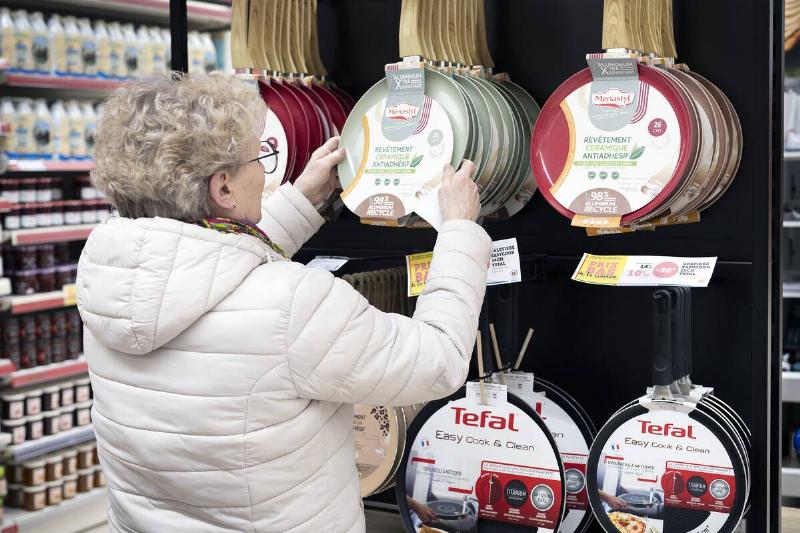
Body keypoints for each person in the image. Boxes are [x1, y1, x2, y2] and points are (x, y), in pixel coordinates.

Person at [76, 72, 491, 532]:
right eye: (260, 155)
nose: (266, 170)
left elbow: (207, 270)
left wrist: (301, 200)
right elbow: (436, 361)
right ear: (224, 189)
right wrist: (459, 232)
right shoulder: (292, 303)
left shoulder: (110, 287)